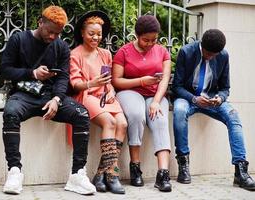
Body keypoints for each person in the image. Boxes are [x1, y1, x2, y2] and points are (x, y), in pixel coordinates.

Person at [0, 5, 96, 195]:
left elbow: (63, 78)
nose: (52, 36)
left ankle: (77, 175)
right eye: (49, 31)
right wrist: (32, 73)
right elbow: (5, 70)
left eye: (57, 33)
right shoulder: (19, 39)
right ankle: (14, 171)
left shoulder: (61, 46)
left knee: (82, 114)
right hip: (23, 96)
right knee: (10, 113)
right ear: (40, 22)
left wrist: (57, 100)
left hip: (50, 98)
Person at [172, 29, 255, 191]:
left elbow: (225, 88)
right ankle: (183, 164)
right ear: (201, 45)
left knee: (233, 116)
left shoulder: (223, 55)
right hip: (188, 98)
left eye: (214, 55)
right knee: (179, 111)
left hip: (211, 99)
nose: (210, 57)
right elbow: (177, 87)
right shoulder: (186, 52)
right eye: (208, 53)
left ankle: (241, 170)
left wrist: (220, 98)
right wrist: (194, 99)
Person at [69, 10, 127, 194]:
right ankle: (114, 174)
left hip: (105, 96)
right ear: (82, 33)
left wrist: (111, 90)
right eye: (91, 34)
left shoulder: (105, 53)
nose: (96, 37)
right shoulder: (75, 55)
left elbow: (108, 80)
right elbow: (75, 84)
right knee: (109, 122)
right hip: (87, 96)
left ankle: (102, 173)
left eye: (99, 34)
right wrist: (92, 83)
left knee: (123, 124)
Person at [112, 15, 172, 192]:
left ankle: (163, 174)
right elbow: (116, 81)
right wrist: (141, 81)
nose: (150, 43)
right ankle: (135, 168)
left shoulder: (162, 52)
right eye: (146, 40)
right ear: (137, 35)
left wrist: (155, 101)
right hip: (130, 91)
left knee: (160, 119)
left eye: (154, 40)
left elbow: (165, 78)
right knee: (136, 115)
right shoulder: (124, 52)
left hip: (155, 95)